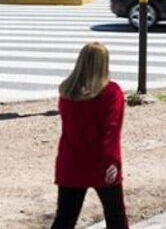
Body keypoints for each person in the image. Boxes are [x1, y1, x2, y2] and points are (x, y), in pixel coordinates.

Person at [52, 43, 128, 229]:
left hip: (70, 162)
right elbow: (112, 130)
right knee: (115, 216)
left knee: (65, 218)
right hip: (102, 163)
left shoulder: (67, 91)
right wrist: (112, 162)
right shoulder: (111, 92)